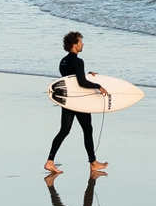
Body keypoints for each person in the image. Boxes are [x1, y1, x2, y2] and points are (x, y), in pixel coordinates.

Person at [46, 31, 109, 174]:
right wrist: (98, 86)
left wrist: (86, 75)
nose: (82, 44)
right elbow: (81, 82)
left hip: (68, 101)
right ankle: (93, 163)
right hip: (79, 101)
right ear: (74, 45)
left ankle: (50, 161)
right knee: (88, 130)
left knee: (64, 130)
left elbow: (70, 80)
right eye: (80, 41)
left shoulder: (63, 61)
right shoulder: (79, 62)